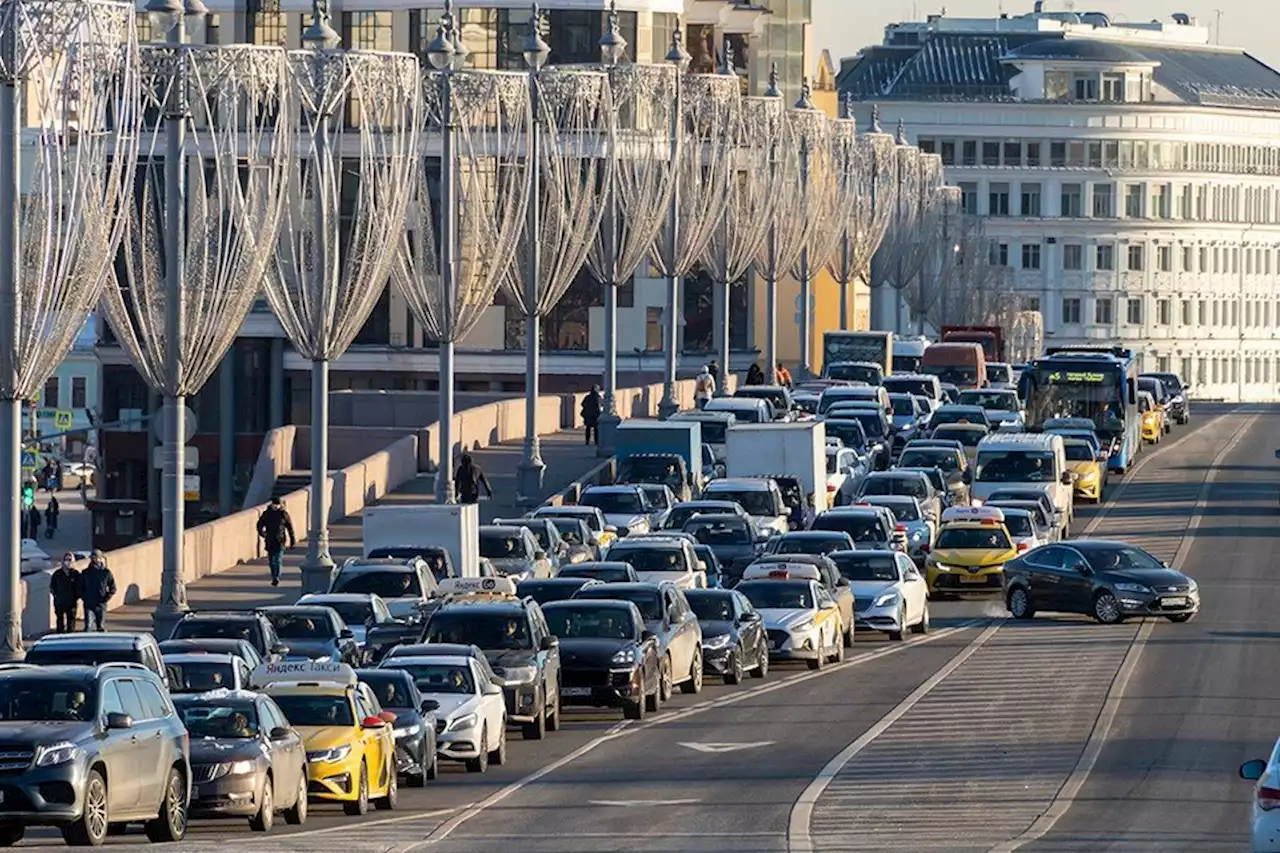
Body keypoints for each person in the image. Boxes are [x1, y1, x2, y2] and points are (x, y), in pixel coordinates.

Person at [257, 497, 296, 588]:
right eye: (275, 504)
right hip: (270, 539)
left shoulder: (283, 514)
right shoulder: (267, 514)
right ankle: (274, 576)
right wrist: (262, 534)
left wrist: (292, 540)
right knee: (271, 560)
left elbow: (290, 528)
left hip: (280, 540)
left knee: (278, 559)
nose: (276, 506)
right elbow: (259, 524)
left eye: (277, 504)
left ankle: (276, 577)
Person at [81, 550, 117, 632]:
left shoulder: (106, 573)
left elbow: (113, 588)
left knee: (100, 627)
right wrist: (84, 597)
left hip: (101, 604)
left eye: (96, 557)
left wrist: (106, 598)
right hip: (88, 603)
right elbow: (80, 587)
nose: (94, 559)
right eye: (93, 557)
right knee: (88, 626)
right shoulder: (85, 572)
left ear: (100, 559)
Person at [50, 553, 81, 634]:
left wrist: (76, 596)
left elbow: (79, 586)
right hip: (60, 601)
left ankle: (70, 634)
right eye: (66, 559)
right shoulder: (57, 574)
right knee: (60, 619)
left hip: (72, 601)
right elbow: (52, 586)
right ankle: (60, 634)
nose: (68, 562)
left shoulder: (76, 574)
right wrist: (57, 595)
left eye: (70, 560)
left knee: (71, 619)